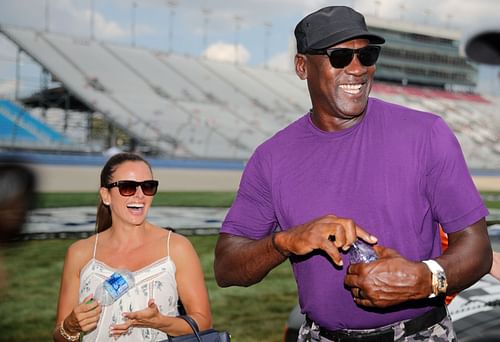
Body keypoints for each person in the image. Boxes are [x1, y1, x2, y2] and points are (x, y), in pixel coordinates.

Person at [213, 6, 492, 342]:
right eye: (341, 56)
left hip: (422, 334)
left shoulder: (427, 134)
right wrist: (287, 241)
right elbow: (227, 268)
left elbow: (477, 248)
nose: (358, 69)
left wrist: (425, 278)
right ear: (303, 66)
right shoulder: (270, 159)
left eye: (367, 54)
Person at [53, 152, 212, 341]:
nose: (140, 195)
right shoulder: (80, 253)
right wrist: (70, 326)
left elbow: (204, 323)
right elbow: (60, 336)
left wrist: (161, 322)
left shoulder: (177, 247)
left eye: (147, 186)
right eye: (127, 187)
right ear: (106, 195)